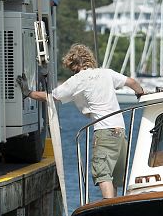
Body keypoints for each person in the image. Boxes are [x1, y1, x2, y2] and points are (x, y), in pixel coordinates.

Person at [16, 44, 146, 199]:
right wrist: (141, 94)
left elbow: (52, 97)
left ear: (75, 65)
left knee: (103, 174)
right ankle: (114, 208)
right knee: (115, 178)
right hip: (121, 131)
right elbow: (132, 82)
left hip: (104, 131)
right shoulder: (106, 73)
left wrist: (28, 92)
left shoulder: (77, 80)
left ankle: (107, 208)